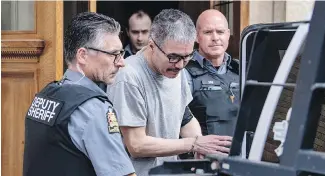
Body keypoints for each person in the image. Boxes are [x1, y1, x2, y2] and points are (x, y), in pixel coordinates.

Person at [107, 9, 232, 176]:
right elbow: (136, 145)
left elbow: (185, 118)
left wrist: (202, 147)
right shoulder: (129, 76)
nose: (180, 65)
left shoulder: (176, 70)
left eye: (187, 57)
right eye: (173, 57)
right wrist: (194, 144)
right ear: (152, 45)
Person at [23, 12, 136, 176]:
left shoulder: (45, 95)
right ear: (83, 55)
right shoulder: (93, 108)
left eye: (121, 54)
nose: (121, 62)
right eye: (114, 54)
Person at [184, 9, 240, 136]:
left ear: (228, 34)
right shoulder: (184, 72)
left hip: (240, 153)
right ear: (196, 36)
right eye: (208, 32)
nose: (215, 38)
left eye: (220, 32)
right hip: (202, 154)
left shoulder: (241, 69)